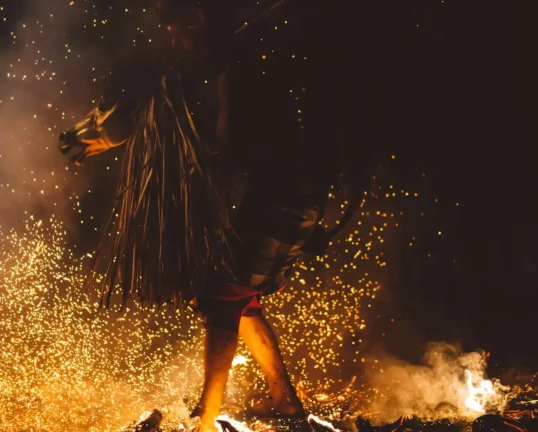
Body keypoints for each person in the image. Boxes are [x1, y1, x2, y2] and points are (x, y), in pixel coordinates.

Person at [60, 1, 340, 430]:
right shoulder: (228, 64)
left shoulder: (236, 71)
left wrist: (194, 177)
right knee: (243, 300)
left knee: (223, 295)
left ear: (200, 20)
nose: (175, 41)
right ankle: (285, 402)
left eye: (179, 32)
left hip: (282, 193)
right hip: (290, 193)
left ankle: (206, 418)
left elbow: (231, 150)